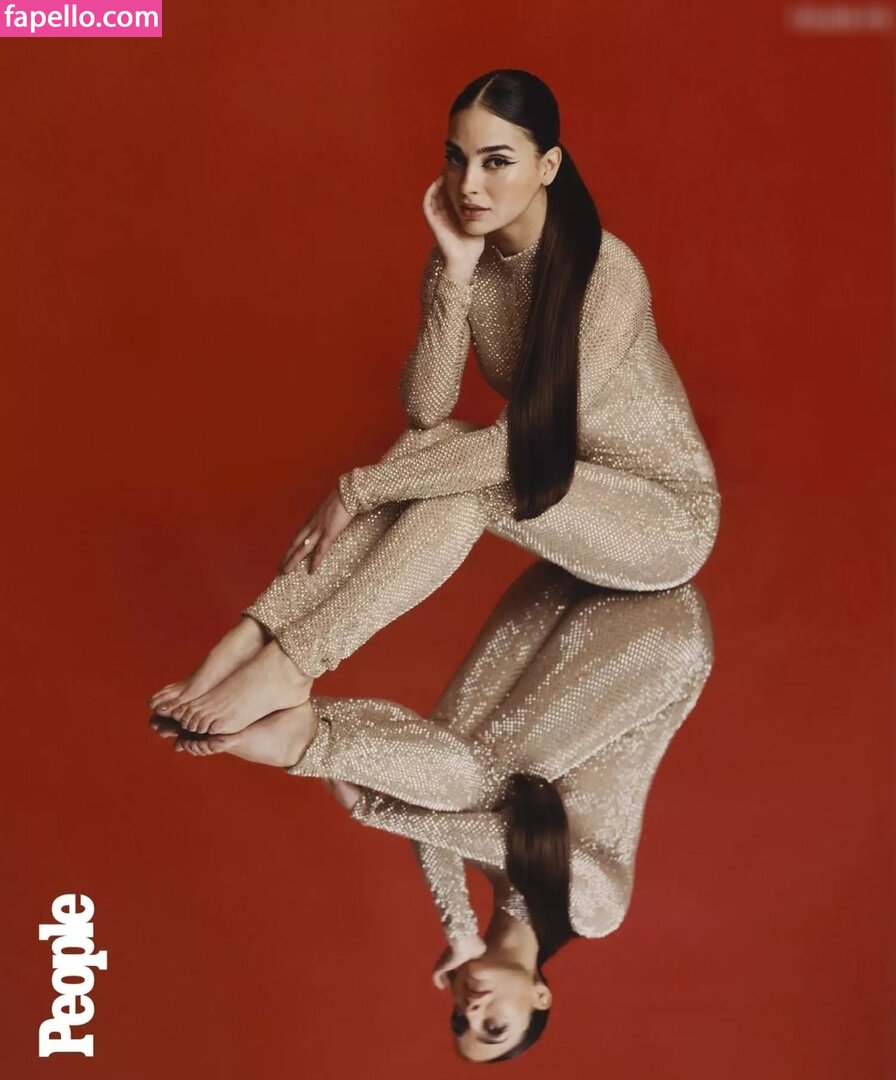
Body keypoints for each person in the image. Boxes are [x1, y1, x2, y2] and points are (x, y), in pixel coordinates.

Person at [148, 66, 720, 746]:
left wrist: (358, 489)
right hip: (562, 484)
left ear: (548, 166)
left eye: (496, 161)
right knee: (435, 442)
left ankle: (294, 664)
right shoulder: (467, 260)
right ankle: (250, 638)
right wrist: (454, 274)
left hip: (663, 517)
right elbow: (425, 408)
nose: (469, 185)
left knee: (472, 486)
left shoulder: (606, 275)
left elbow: (519, 446)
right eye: (457, 159)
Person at [151, 560, 715, 1062]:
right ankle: (306, 733)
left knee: (454, 756)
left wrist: (461, 931)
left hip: (565, 593)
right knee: (476, 783)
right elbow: (499, 835)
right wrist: (375, 812)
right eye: (493, 1027)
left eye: (459, 1021)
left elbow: (455, 833)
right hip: (663, 635)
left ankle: (289, 685)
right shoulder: (595, 913)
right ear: (540, 996)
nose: (472, 1010)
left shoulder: (489, 868)